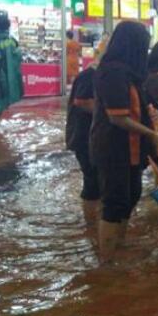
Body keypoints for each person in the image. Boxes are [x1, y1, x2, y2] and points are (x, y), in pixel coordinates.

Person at [90, 21, 158, 264]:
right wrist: (150, 134)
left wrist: (150, 114)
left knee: (131, 195)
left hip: (132, 148)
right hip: (113, 147)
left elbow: (135, 107)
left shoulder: (131, 74)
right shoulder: (113, 72)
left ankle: (119, 246)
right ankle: (107, 263)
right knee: (115, 201)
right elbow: (117, 117)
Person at [65, 62, 99, 226]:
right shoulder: (89, 76)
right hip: (83, 137)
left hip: (93, 137)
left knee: (96, 180)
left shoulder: (96, 75)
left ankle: (95, 222)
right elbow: (82, 101)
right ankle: (91, 225)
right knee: (92, 181)